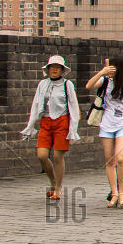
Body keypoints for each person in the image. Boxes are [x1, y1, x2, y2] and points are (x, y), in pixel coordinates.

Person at [20, 54, 80, 202]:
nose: (54, 70)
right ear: (48, 69)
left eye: (57, 67)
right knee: (41, 155)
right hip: (46, 122)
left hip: (62, 121)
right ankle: (52, 181)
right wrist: (31, 124)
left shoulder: (67, 85)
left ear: (62, 70)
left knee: (57, 156)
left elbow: (73, 106)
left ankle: (58, 187)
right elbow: (36, 104)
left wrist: (73, 128)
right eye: (52, 67)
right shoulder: (43, 84)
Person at [86, 56, 123, 209]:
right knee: (109, 160)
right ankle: (114, 193)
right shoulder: (105, 82)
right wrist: (102, 72)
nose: (110, 69)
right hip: (106, 124)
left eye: (112, 67)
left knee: (120, 158)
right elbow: (89, 86)